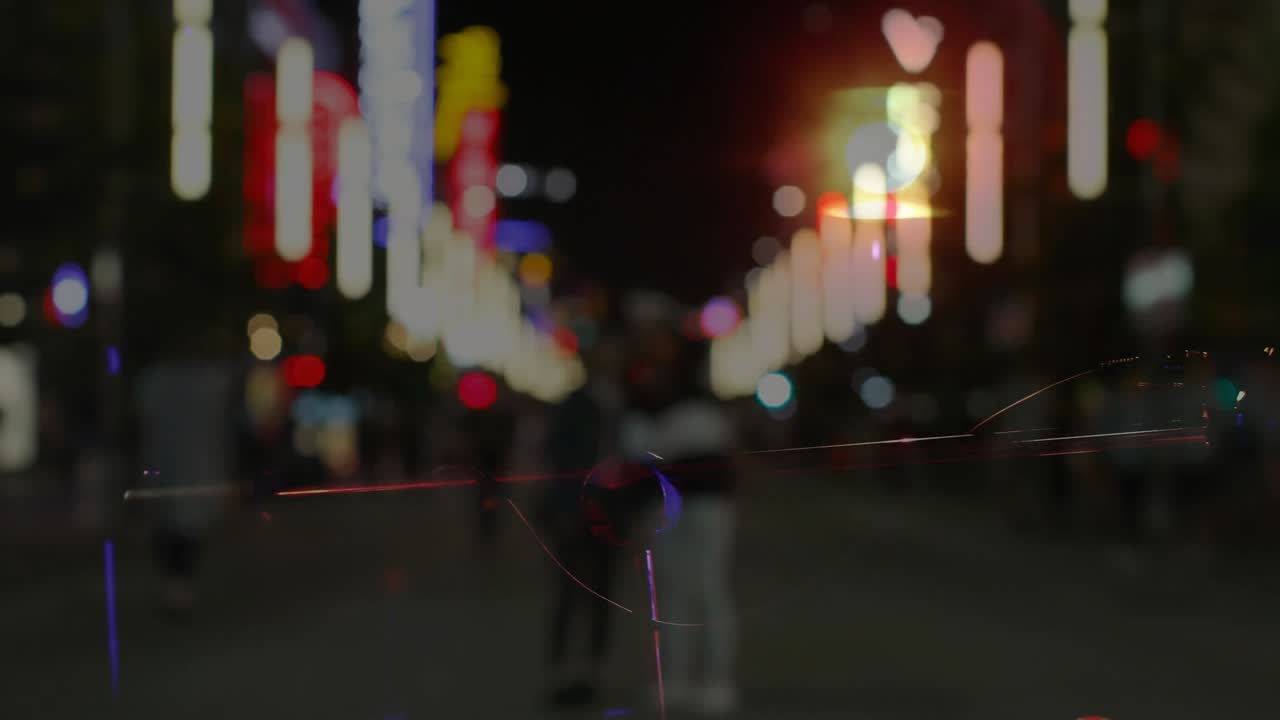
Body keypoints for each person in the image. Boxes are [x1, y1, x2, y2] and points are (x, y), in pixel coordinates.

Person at [625, 329, 739, 715]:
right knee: (673, 595)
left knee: (706, 591)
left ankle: (715, 682)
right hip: (674, 508)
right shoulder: (659, 400)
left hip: (703, 507)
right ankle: (677, 680)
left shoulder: (691, 404)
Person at [540, 336, 624, 707]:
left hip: (612, 514)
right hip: (577, 512)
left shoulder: (622, 404)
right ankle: (563, 672)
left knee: (603, 593)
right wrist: (565, 508)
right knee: (571, 593)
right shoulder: (575, 405)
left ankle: (593, 671)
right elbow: (560, 459)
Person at [136, 327, 237, 617]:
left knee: (176, 527)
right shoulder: (208, 382)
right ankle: (178, 588)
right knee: (180, 527)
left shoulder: (159, 381)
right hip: (182, 468)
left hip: (174, 467)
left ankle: (177, 587)